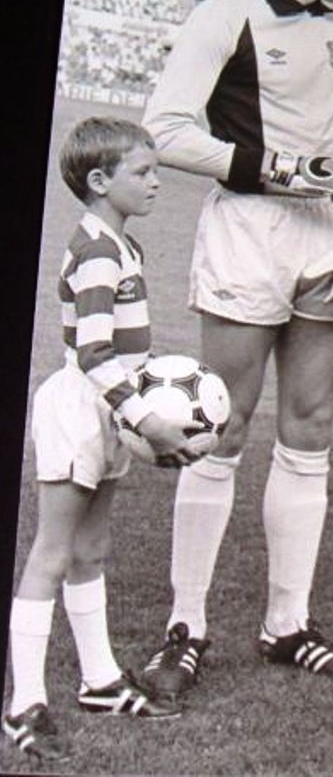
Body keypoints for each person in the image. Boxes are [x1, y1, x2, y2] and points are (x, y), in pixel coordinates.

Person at [139, 0, 333, 691]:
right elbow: (168, 129)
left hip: (329, 236)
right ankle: (187, 626)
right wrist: (279, 169)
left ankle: (288, 622)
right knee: (225, 423)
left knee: (310, 424)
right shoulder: (227, 14)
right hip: (248, 229)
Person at [2, 117, 198, 763]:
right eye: (142, 173)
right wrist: (146, 417)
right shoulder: (95, 251)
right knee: (52, 552)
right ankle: (24, 703)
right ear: (98, 180)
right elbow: (92, 353)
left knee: (94, 546)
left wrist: (145, 407)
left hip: (115, 408)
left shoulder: (126, 244)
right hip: (82, 410)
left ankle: (99, 680)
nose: (156, 183)